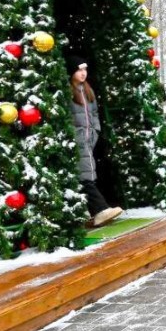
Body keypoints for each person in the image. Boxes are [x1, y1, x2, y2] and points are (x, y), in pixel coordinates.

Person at [68, 56, 123, 227]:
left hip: (88, 140)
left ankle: (86, 210)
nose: (83, 73)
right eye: (79, 70)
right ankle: (100, 209)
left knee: (86, 175)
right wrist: (75, 136)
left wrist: (94, 132)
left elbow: (93, 115)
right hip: (77, 140)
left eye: (85, 70)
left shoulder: (87, 91)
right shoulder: (68, 92)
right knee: (84, 177)